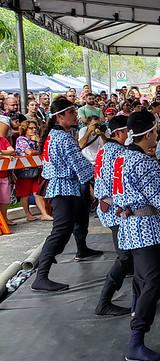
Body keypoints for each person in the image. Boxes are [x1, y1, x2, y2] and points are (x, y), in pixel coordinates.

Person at [112, 111, 160, 361]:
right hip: (145, 229)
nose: (157, 135)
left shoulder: (120, 158)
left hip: (127, 226)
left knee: (140, 280)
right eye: (155, 132)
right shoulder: (145, 162)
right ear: (147, 134)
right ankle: (136, 341)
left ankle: (137, 322)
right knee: (154, 282)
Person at [33, 97, 98, 292]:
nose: (76, 116)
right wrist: (101, 175)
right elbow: (79, 164)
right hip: (62, 188)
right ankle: (41, 276)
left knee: (79, 217)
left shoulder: (60, 134)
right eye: (71, 113)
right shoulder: (62, 138)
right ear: (60, 116)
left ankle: (82, 248)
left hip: (67, 186)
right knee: (61, 231)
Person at [92, 116, 133, 316]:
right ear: (118, 133)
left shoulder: (104, 150)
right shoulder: (118, 153)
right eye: (128, 132)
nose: (130, 136)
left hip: (107, 206)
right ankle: (104, 301)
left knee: (128, 256)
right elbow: (117, 186)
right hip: (115, 209)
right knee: (125, 257)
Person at [14, 120, 51, 222]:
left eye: (35, 128)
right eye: (31, 128)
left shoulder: (36, 140)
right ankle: (27, 214)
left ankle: (44, 213)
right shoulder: (21, 140)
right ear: (25, 129)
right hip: (24, 171)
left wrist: (38, 141)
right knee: (25, 194)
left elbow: (45, 149)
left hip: (36, 170)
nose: (34, 130)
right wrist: (38, 151)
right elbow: (29, 152)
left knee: (37, 191)